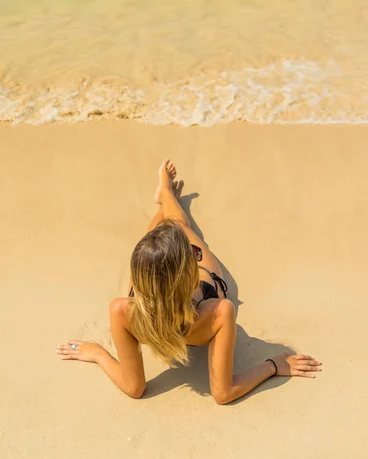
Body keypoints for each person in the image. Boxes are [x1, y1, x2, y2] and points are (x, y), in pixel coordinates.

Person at [57, 160, 322, 404]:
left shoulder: (121, 310)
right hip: (200, 300)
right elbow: (223, 393)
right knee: (180, 227)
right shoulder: (218, 312)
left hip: (149, 308)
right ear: (189, 273)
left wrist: (99, 354)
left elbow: (134, 388)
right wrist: (274, 365)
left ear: (138, 276)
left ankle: (165, 198)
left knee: (161, 239)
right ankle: (167, 197)